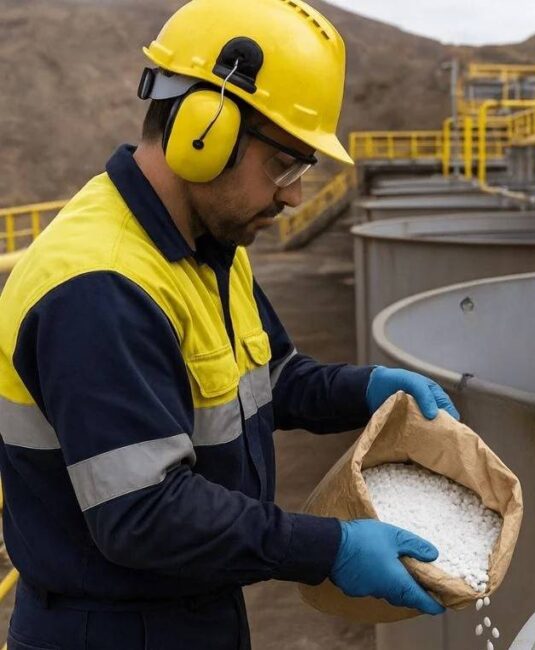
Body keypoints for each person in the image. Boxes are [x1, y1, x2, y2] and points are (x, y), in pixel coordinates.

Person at [0, 1, 457, 647]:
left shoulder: (208, 249)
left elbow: (271, 378)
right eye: (285, 164)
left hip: (191, 602)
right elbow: (144, 512)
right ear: (203, 130)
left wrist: (367, 387)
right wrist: (329, 548)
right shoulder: (100, 286)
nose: (295, 194)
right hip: (109, 627)